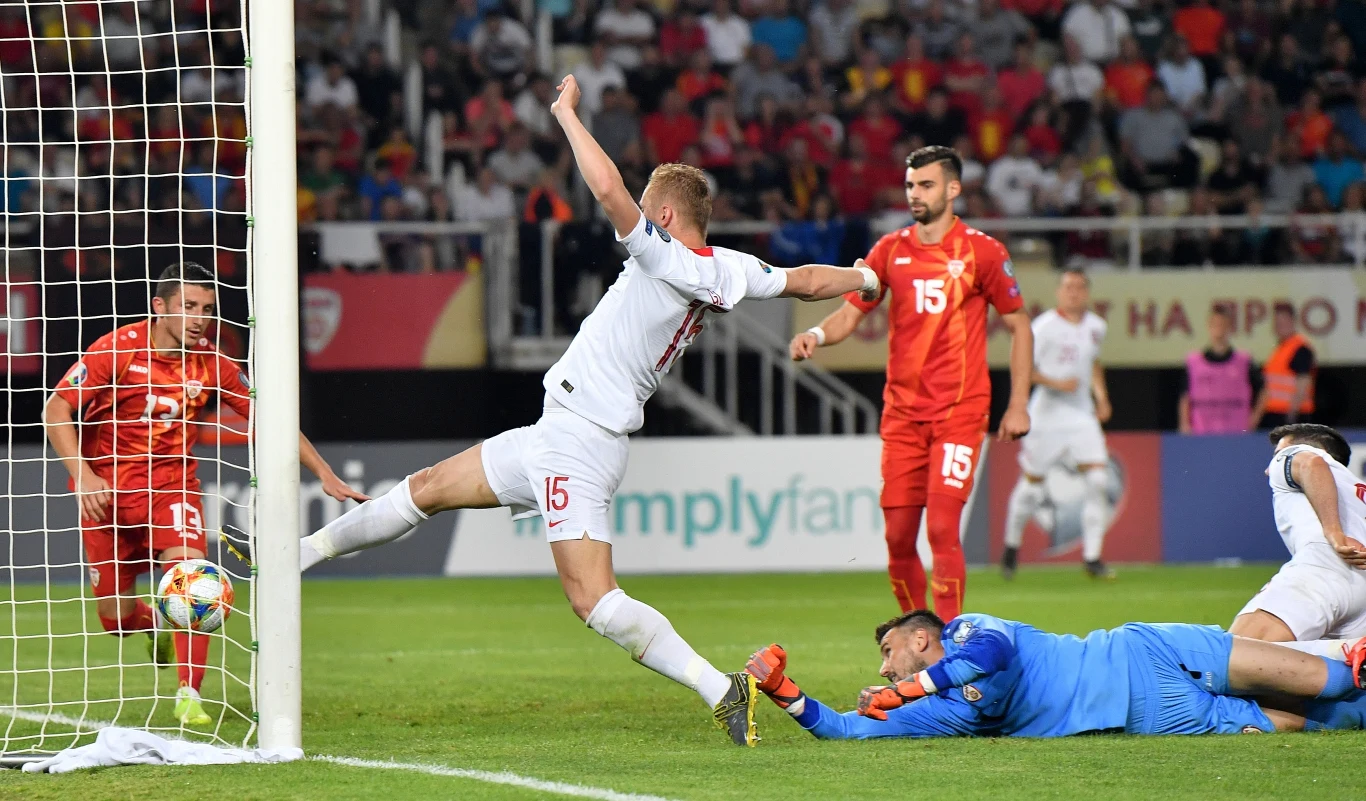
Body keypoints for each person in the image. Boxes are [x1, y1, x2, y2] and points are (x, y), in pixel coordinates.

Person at [295, 75, 883, 748]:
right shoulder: (731, 269)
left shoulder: (663, 257)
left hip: (582, 441)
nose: (634, 213)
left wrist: (567, 115)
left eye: (644, 208)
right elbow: (805, 280)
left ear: (662, 215)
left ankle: (718, 687)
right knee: (427, 488)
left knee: (594, 601)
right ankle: (299, 555)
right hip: (558, 431)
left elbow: (606, 190)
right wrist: (866, 278)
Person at [42, 262, 363, 727]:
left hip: (172, 491)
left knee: (194, 582)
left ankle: (189, 693)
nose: (200, 318)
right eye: (188, 307)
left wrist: (324, 472)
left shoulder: (213, 364)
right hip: (106, 497)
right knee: (115, 620)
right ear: (160, 308)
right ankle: (155, 624)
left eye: (207, 309)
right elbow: (56, 409)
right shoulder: (116, 350)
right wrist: (83, 474)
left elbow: (267, 420)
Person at [788, 145, 1034, 621]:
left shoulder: (983, 252)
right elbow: (851, 313)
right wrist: (816, 335)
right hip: (902, 416)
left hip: (960, 413)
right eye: (910, 185)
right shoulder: (889, 250)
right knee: (899, 539)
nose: (914, 194)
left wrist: (1018, 404)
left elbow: (1020, 324)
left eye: (925, 185)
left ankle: (947, 649)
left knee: (942, 528)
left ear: (953, 189)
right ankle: (913, 640)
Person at [742, 610, 1366, 740]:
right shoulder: (947, 712)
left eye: (888, 650)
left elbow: (992, 662)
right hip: (1152, 716)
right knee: (1320, 720)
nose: (882, 666)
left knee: (1333, 679)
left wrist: (899, 691)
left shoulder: (969, 629)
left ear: (919, 637)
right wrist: (784, 692)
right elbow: (846, 732)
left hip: (1146, 650)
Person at [1001, 269, 1113, 581]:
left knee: (1098, 481)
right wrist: (1054, 382)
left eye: (1079, 287)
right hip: (1047, 414)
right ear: (1058, 292)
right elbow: (1022, 366)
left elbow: (1093, 363)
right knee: (1032, 488)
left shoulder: (1096, 327)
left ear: (1086, 293)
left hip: (1080, 414)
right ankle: (1011, 547)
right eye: (1068, 287)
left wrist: (1101, 397)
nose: (1073, 293)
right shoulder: (1044, 327)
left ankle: (1093, 557)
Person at [1228, 424, 1366, 655]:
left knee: (1236, 655)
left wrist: (1334, 533)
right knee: (1316, 676)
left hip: (1327, 566)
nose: (1268, 469)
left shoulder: (1303, 456)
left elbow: (1310, 464)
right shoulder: (1356, 491)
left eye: (1276, 456)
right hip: (1361, 593)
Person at [1178, 307, 1260, 435]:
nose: (1219, 329)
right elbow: (1185, 395)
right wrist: (1184, 423)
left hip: (1236, 431)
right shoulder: (1194, 362)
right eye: (1215, 325)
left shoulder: (1243, 361)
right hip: (1202, 431)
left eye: (1222, 325)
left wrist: (1254, 420)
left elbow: (1263, 390)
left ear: (1229, 328)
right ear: (1209, 327)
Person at [1251, 307, 1316, 429]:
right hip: (1275, 413)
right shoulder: (1281, 349)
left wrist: (1291, 416)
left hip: (1290, 416)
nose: (1280, 326)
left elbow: (1303, 384)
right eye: (1277, 323)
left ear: (1293, 322)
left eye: (1284, 322)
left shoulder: (1300, 349)